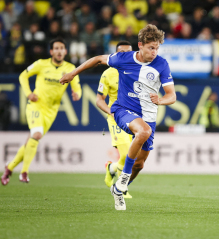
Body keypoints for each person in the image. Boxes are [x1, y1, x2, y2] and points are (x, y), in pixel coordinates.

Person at [60, 24, 176, 210]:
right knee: (143, 132)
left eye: (157, 48)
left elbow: (172, 95)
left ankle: (119, 189)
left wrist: (161, 100)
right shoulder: (123, 59)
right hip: (123, 110)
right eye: (151, 48)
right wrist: (73, 73)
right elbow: (98, 59)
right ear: (140, 45)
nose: (154, 52)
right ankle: (122, 177)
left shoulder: (161, 64)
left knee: (140, 164)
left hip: (148, 115)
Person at [1, 38, 82, 185]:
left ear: (65, 51)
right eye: (56, 48)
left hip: (52, 111)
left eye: (61, 48)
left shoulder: (70, 67)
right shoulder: (41, 64)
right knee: (36, 134)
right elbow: (23, 75)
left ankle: (9, 167)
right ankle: (24, 172)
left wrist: (78, 93)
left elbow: (77, 86)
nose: (59, 51)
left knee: (31, 140)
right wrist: (28, 93)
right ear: (51, 52)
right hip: (36, 105)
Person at [96, 41, 134, 199]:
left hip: (134, 118)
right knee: (126, 153)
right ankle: (122, 188)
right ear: (116, 55)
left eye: (128, 53)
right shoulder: (108, 74)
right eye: (122, 53)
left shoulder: (137, 71)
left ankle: (111, 168)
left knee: (132, 155)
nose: (125, 56)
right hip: (116, 118)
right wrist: (110, 111)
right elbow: (99, 100)